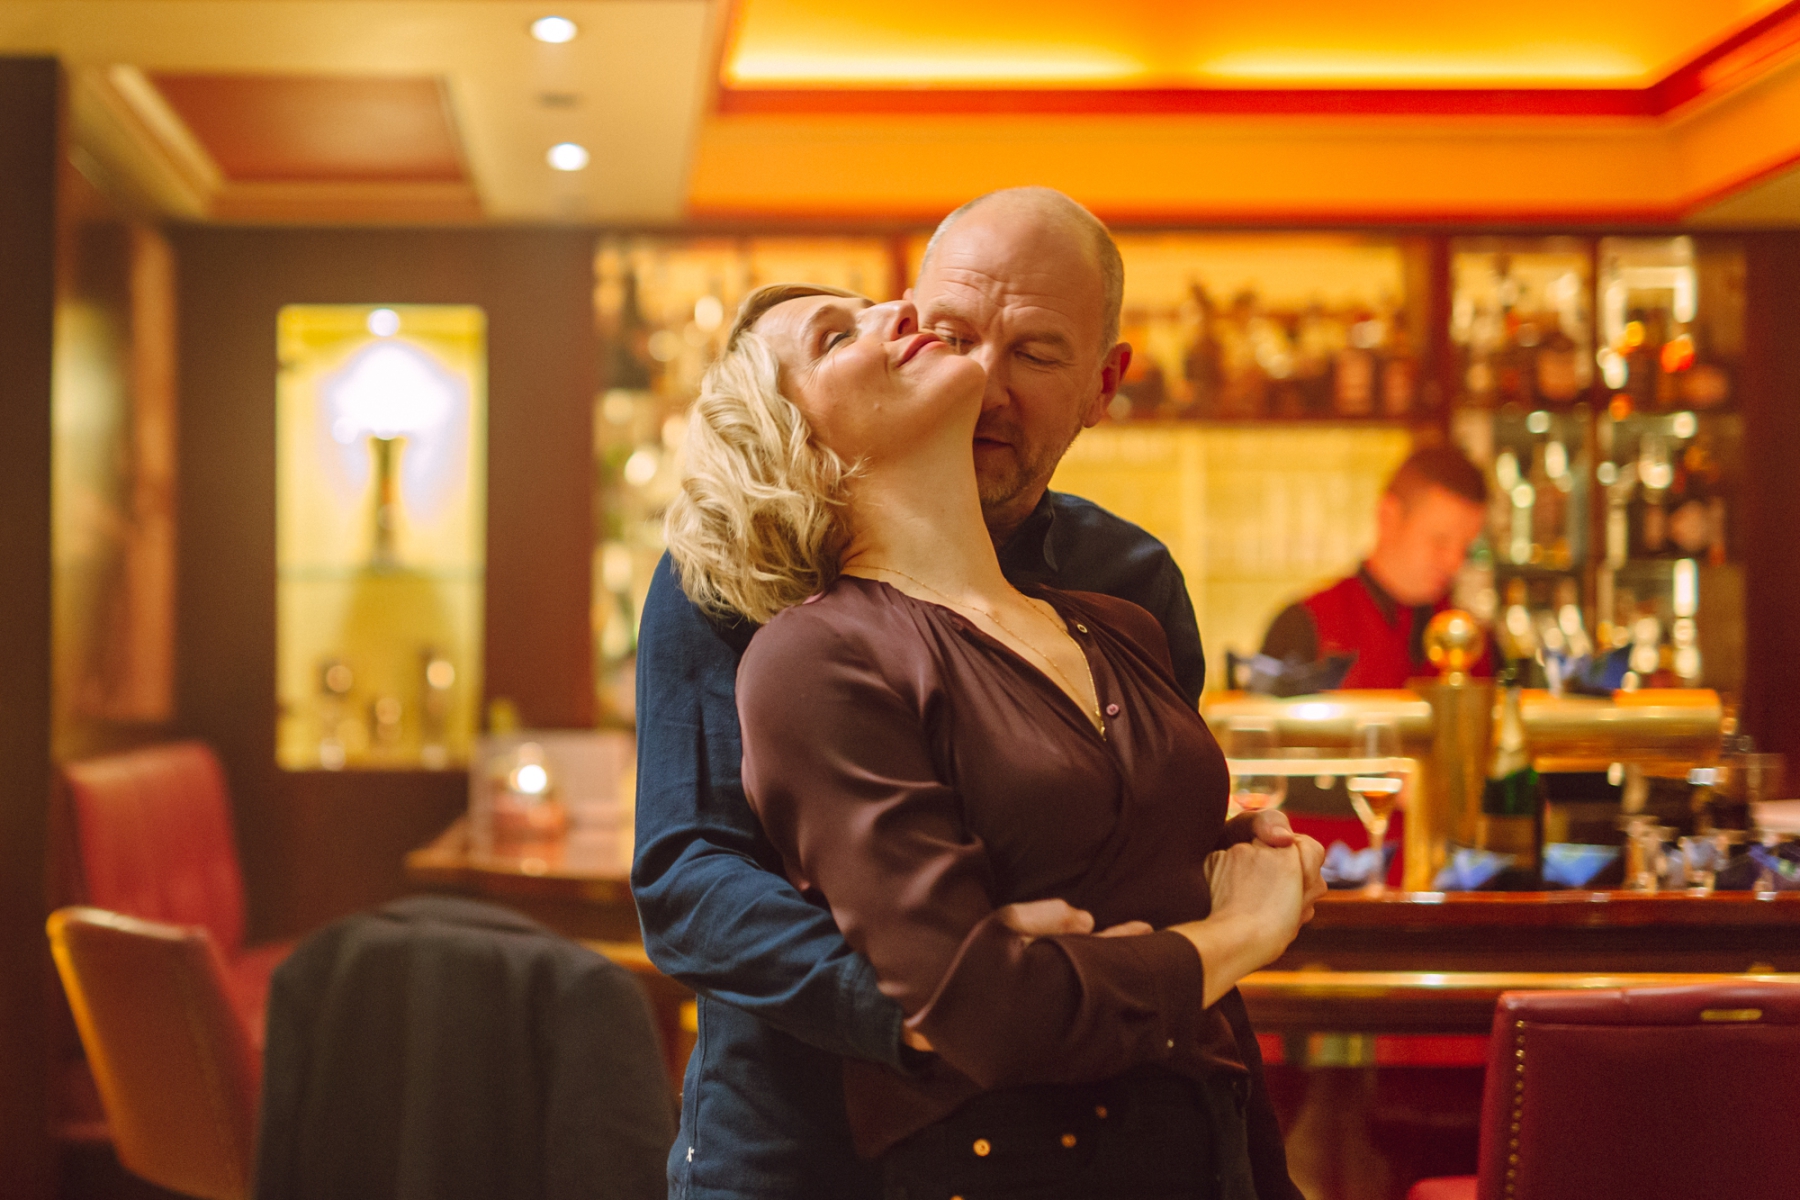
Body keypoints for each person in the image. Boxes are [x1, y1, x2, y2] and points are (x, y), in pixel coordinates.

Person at [632, 188, 1317, 1200]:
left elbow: (1144, 869)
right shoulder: (736, 576)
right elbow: (691, 879)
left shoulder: (1124, 587)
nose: (988, 381)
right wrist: (936, 1004)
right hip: (810, 1143)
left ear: (1104, 383)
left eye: (1036, 353)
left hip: (1131, 1133)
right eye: (952, 331)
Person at [1260, 446, 1489, 689]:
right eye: (1440, 540)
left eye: (1466, 547)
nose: (1455, 562)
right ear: (1387, 517)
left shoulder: (1476, 642)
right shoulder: (1303, 626)